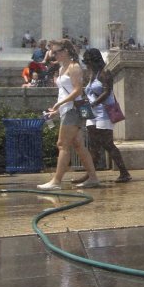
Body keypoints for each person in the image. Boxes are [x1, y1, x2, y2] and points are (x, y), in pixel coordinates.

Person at [38, 39, 100, 190]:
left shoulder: (74, 67)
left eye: (56, 52)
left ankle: (56, 181)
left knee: (62, 144)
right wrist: (56, 110)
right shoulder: (61, 68)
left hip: (73, 110)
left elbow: (78, 90)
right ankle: (93, 178)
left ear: (66, 51)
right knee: (78, 145)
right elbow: (62, 92)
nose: (53, 55)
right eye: (52, 52)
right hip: (67, 109)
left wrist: (59, 105)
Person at [81, 48, 132, 184]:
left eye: (88, 61)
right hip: (92, 114)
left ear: (94, 60)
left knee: (108, 144)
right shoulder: (90, 74)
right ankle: (91, 175)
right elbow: (87, 92)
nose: (86, 64)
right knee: (93, 146)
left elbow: (107, 91)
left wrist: (94, 103)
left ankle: (124, 172)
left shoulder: (105, 73)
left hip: (103, 113)